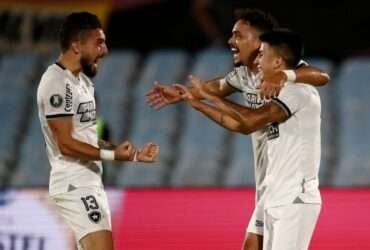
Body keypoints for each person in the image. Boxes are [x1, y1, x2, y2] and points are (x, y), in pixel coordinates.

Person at [146, 8, 329, 250]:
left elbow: (322, 76)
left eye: (238, 35)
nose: (231, 41)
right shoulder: (243, 76)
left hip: (292, 190)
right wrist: (185, 96)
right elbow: (216, 93)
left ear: (259, 41)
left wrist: (284, 75)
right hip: (269, 186)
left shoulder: (294, 83)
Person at [37, 12, 160, 250]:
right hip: (74, 183)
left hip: (91, 181)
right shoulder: (56, 82)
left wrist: (129, 153)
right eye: (99, 43)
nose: (104, 50)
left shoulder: (83, 84)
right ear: (76, 45)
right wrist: (114, 155)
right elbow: (66, 143)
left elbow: (88, 138)